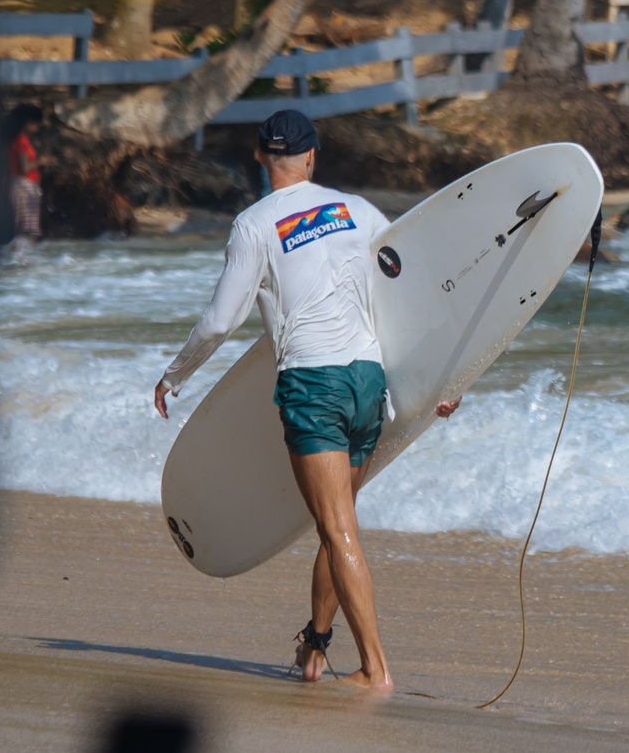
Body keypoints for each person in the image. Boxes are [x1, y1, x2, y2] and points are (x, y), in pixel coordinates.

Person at [150, 110, 457, 693]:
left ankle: (376, 670)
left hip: (313, 386)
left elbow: (221, 321)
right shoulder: (358, 211)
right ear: (313, 156)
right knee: (337, 522)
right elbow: (408, 291)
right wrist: (439, 380)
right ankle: (315, 648)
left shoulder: (254, 224)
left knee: (338, 529)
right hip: (369, 381)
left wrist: (174, 375)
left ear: (262, 160)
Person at [5, 104, 45, 241]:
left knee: (21, 230)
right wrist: (41, 161)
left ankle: (20, 259)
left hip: (17, 184)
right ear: (27, 122)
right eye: (35, 123)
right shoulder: (21, 140)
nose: (37, 127)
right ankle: (25, 260)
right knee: (28, 231)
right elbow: (25, 168)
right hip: (24, 185)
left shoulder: (14, 139)